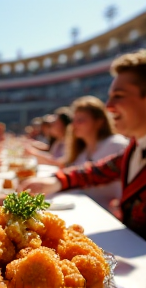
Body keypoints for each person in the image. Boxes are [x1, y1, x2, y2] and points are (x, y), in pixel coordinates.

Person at [20, 49, 146, 240]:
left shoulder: (124, 144)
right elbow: (97, 171)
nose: (109, 106)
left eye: (118, 95)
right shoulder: (135, 147)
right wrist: (57, 180)